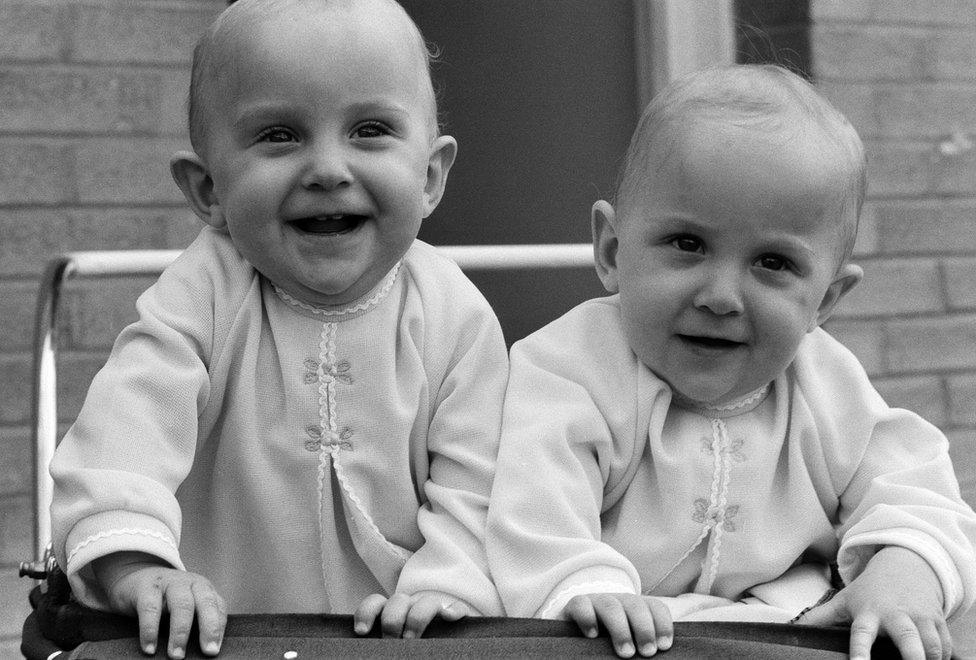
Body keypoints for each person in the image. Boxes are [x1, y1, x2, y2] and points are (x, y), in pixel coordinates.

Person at [48, 1, 508, 657]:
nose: (326, 168)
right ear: (209, 190)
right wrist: (138, 568)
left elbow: (478, 487)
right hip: (220, 636)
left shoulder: (454, 316)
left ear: (430, 175)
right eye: (280, 136)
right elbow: (124, 444)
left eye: (371, 129)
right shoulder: (200, 296)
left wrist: (448, 590)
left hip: (397, 637)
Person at [486, 64, 976, 660]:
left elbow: (917, 492)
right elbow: (534, 513)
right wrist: (588, 590)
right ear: (613, 251)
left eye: (772, 262)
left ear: (824, 300)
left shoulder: (825, 383)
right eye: (687, 244)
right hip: (628, 638)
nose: (720, 295)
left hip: (789, 629)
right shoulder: (569, 368)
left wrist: (903, 570)